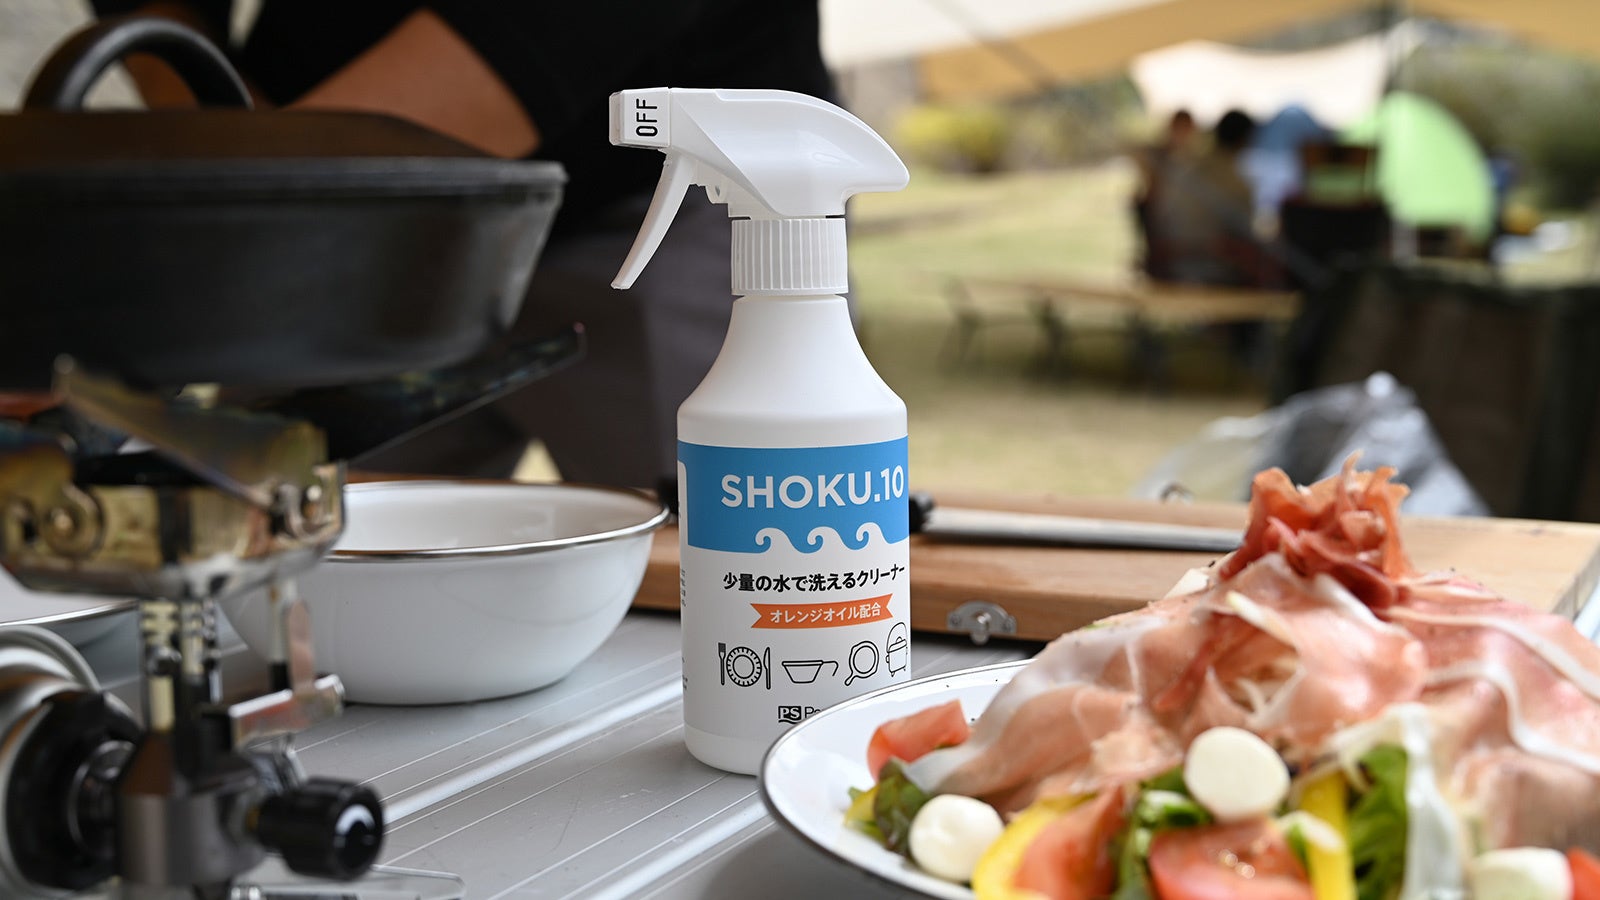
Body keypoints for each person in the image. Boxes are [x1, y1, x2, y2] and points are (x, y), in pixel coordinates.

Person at [88, 1, 836, 489]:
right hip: (335, 196)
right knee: (288, 567)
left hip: (671, 193)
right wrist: (241, 150)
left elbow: (525, 49)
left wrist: (111, 313)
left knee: (760, 567)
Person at [1148, 109, 1263, 287]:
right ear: (1245, 139)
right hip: (1215, 274)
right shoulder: (1237, 184)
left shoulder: (1183, 169)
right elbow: (1247, 238)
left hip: (1172, 269)